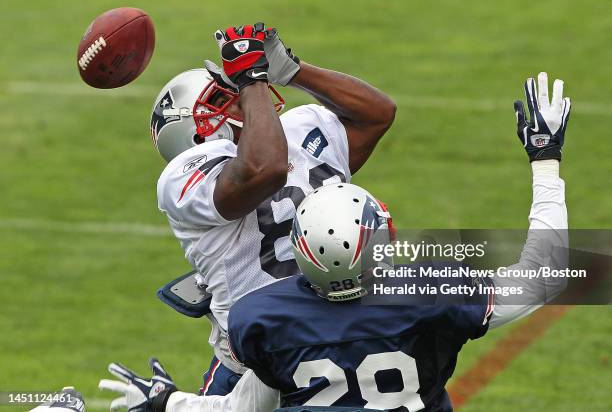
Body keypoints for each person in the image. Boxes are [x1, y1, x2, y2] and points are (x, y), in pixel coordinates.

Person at [100, 73, 569, 411]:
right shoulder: (428, 290)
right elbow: (545, 275)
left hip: (277, 354)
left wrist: (166, 403)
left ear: (301, 253)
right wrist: (545, 160)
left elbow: (239, 408)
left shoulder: (264, 323)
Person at [150, 22, 396, 393]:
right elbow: (266, 170)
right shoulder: (185, 179)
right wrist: (251, 79)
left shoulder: (298, 127)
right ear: (195, 131)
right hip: (259, 365)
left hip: (350, 334)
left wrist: (293, 71)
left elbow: (378, 113)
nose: (239, 95)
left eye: (234, 87)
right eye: (220, 98)